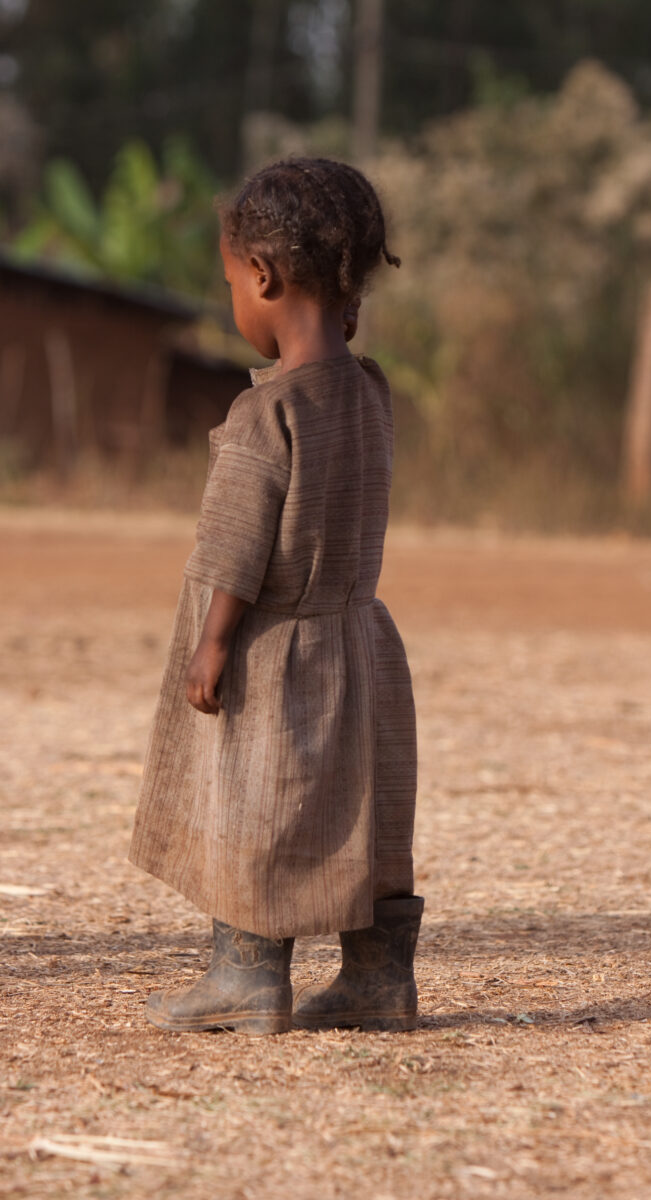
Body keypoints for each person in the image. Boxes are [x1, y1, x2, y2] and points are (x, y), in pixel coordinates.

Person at [129, 157, 423, 1035]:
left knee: (261, 804)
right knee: (367, 812)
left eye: (230, 284)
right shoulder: (370, 395)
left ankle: (248, 979)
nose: (233, 300)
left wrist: (214, 642)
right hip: (361, 642)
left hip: (275, 647)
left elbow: (235, 546)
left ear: (262, 275)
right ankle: (379, 980)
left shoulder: (265, 415)